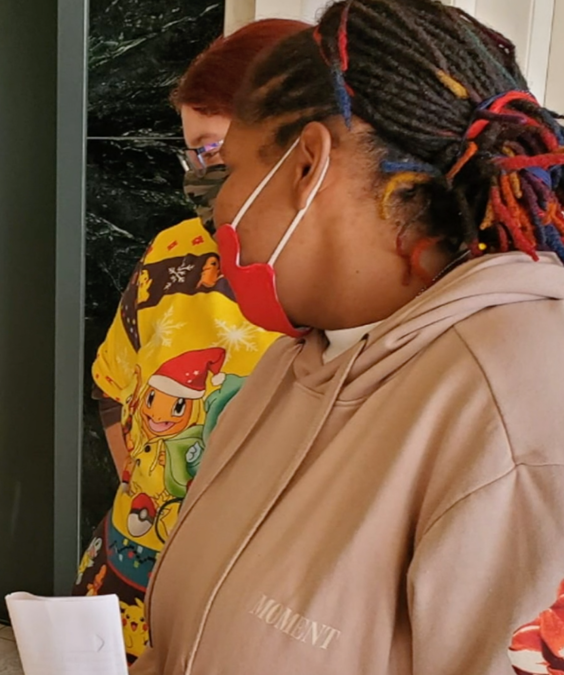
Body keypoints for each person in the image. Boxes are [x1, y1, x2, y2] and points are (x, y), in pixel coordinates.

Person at [129, 1, 564, 673]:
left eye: (231, 169)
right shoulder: (295, 362)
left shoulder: (513, 407)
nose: (216, 204)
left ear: (306, 165)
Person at [73, 18, 307, 665]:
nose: (199, 177)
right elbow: (112, 386)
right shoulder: (171, 255)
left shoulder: (332, 300)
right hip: (131, 579)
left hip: (251, 610)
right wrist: (150, 493)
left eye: (212, 150)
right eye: (192, 155)